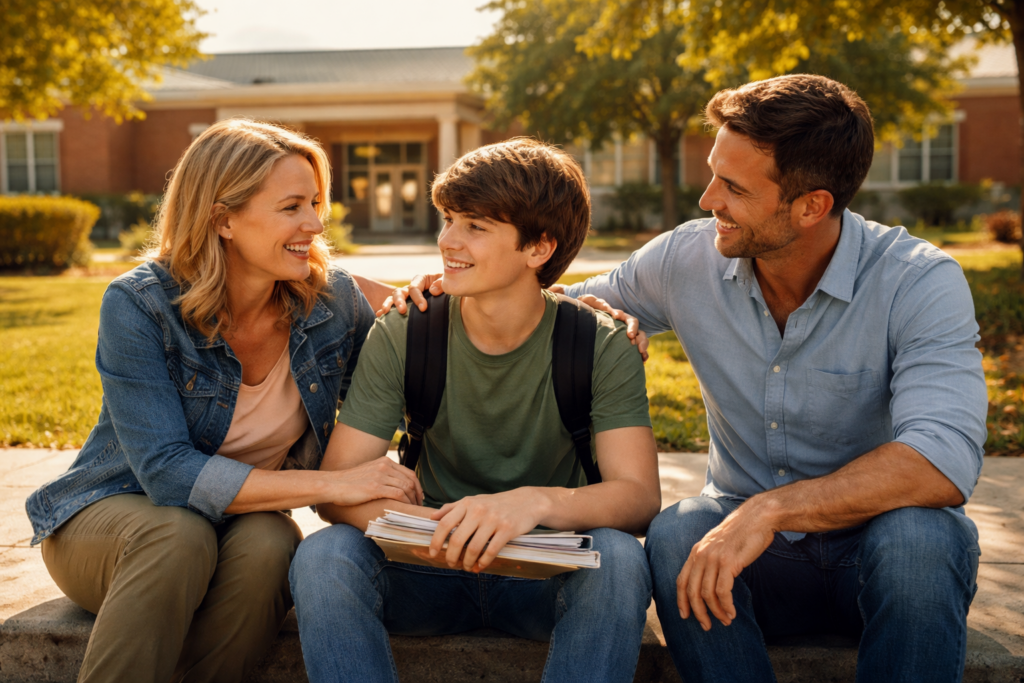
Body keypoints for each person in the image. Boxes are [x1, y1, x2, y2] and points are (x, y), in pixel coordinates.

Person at [399, 75, 988, 682]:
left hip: (877, 556)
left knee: (922, 537)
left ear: (811, 205)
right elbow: (544, 304)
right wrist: (435, 295)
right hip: (743, 562)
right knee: (680, 530)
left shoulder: (917, 281)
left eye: (733, 187)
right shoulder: (687, 258)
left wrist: (766, 513)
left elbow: (940, 461)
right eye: (713, 174)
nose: (708, 200)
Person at [25, 119, 422, 683]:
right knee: (179, 534)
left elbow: (419, 331)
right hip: (110, 522)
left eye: (314, 202)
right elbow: (167, 475)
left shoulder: (333, 302)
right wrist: (336, 484)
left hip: (237, 527)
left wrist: (551, 302)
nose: (315, 223)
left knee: (271, 540)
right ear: (223, 219)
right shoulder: (140, 305)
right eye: (291, 207)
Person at [288, 138, 661, 683]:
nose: (448, 242)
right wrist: (439, 528)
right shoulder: (406, 330)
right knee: (325, 557)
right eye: (448, 220)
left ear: (538, 248)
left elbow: (637, 498)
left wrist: (528, 504)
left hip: (546, 570)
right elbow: (337, 488)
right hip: (425, 563)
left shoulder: (601, 344)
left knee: (619, 561)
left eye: (475, 227)